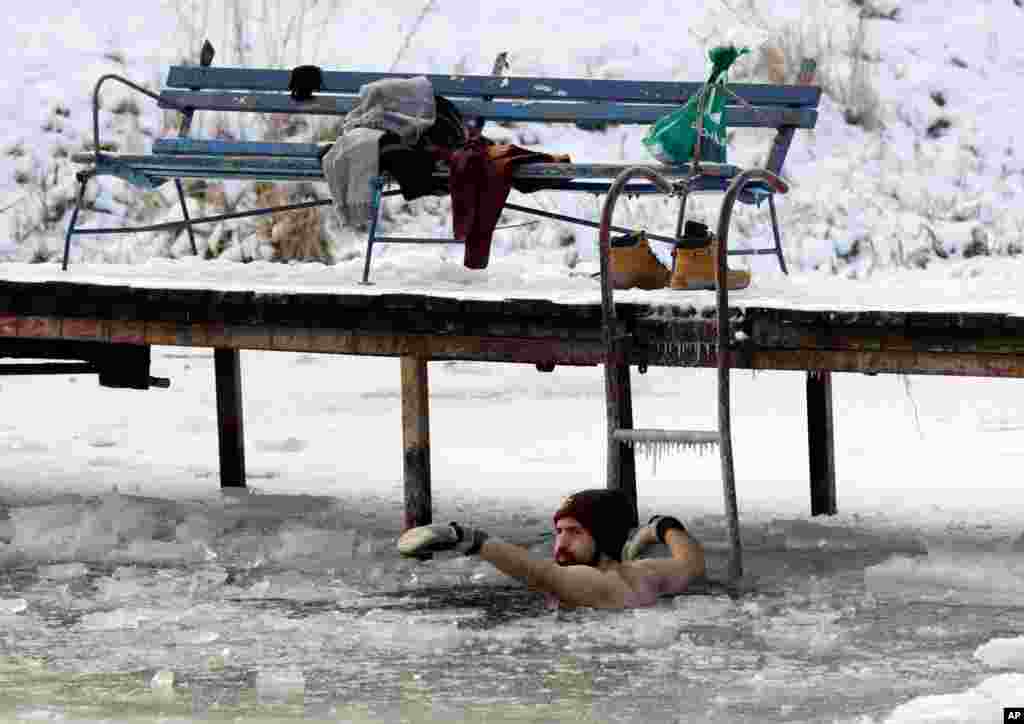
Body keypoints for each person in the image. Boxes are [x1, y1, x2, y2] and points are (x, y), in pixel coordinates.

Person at [396, 489, 705, 609]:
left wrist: (465, 538)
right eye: (559, 531)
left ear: (605, 538)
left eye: (575, 532)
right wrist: (660, 527)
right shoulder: (645, 573)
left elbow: (543, 574)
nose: (561, 542)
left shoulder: (600, 583)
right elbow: (691, 564)